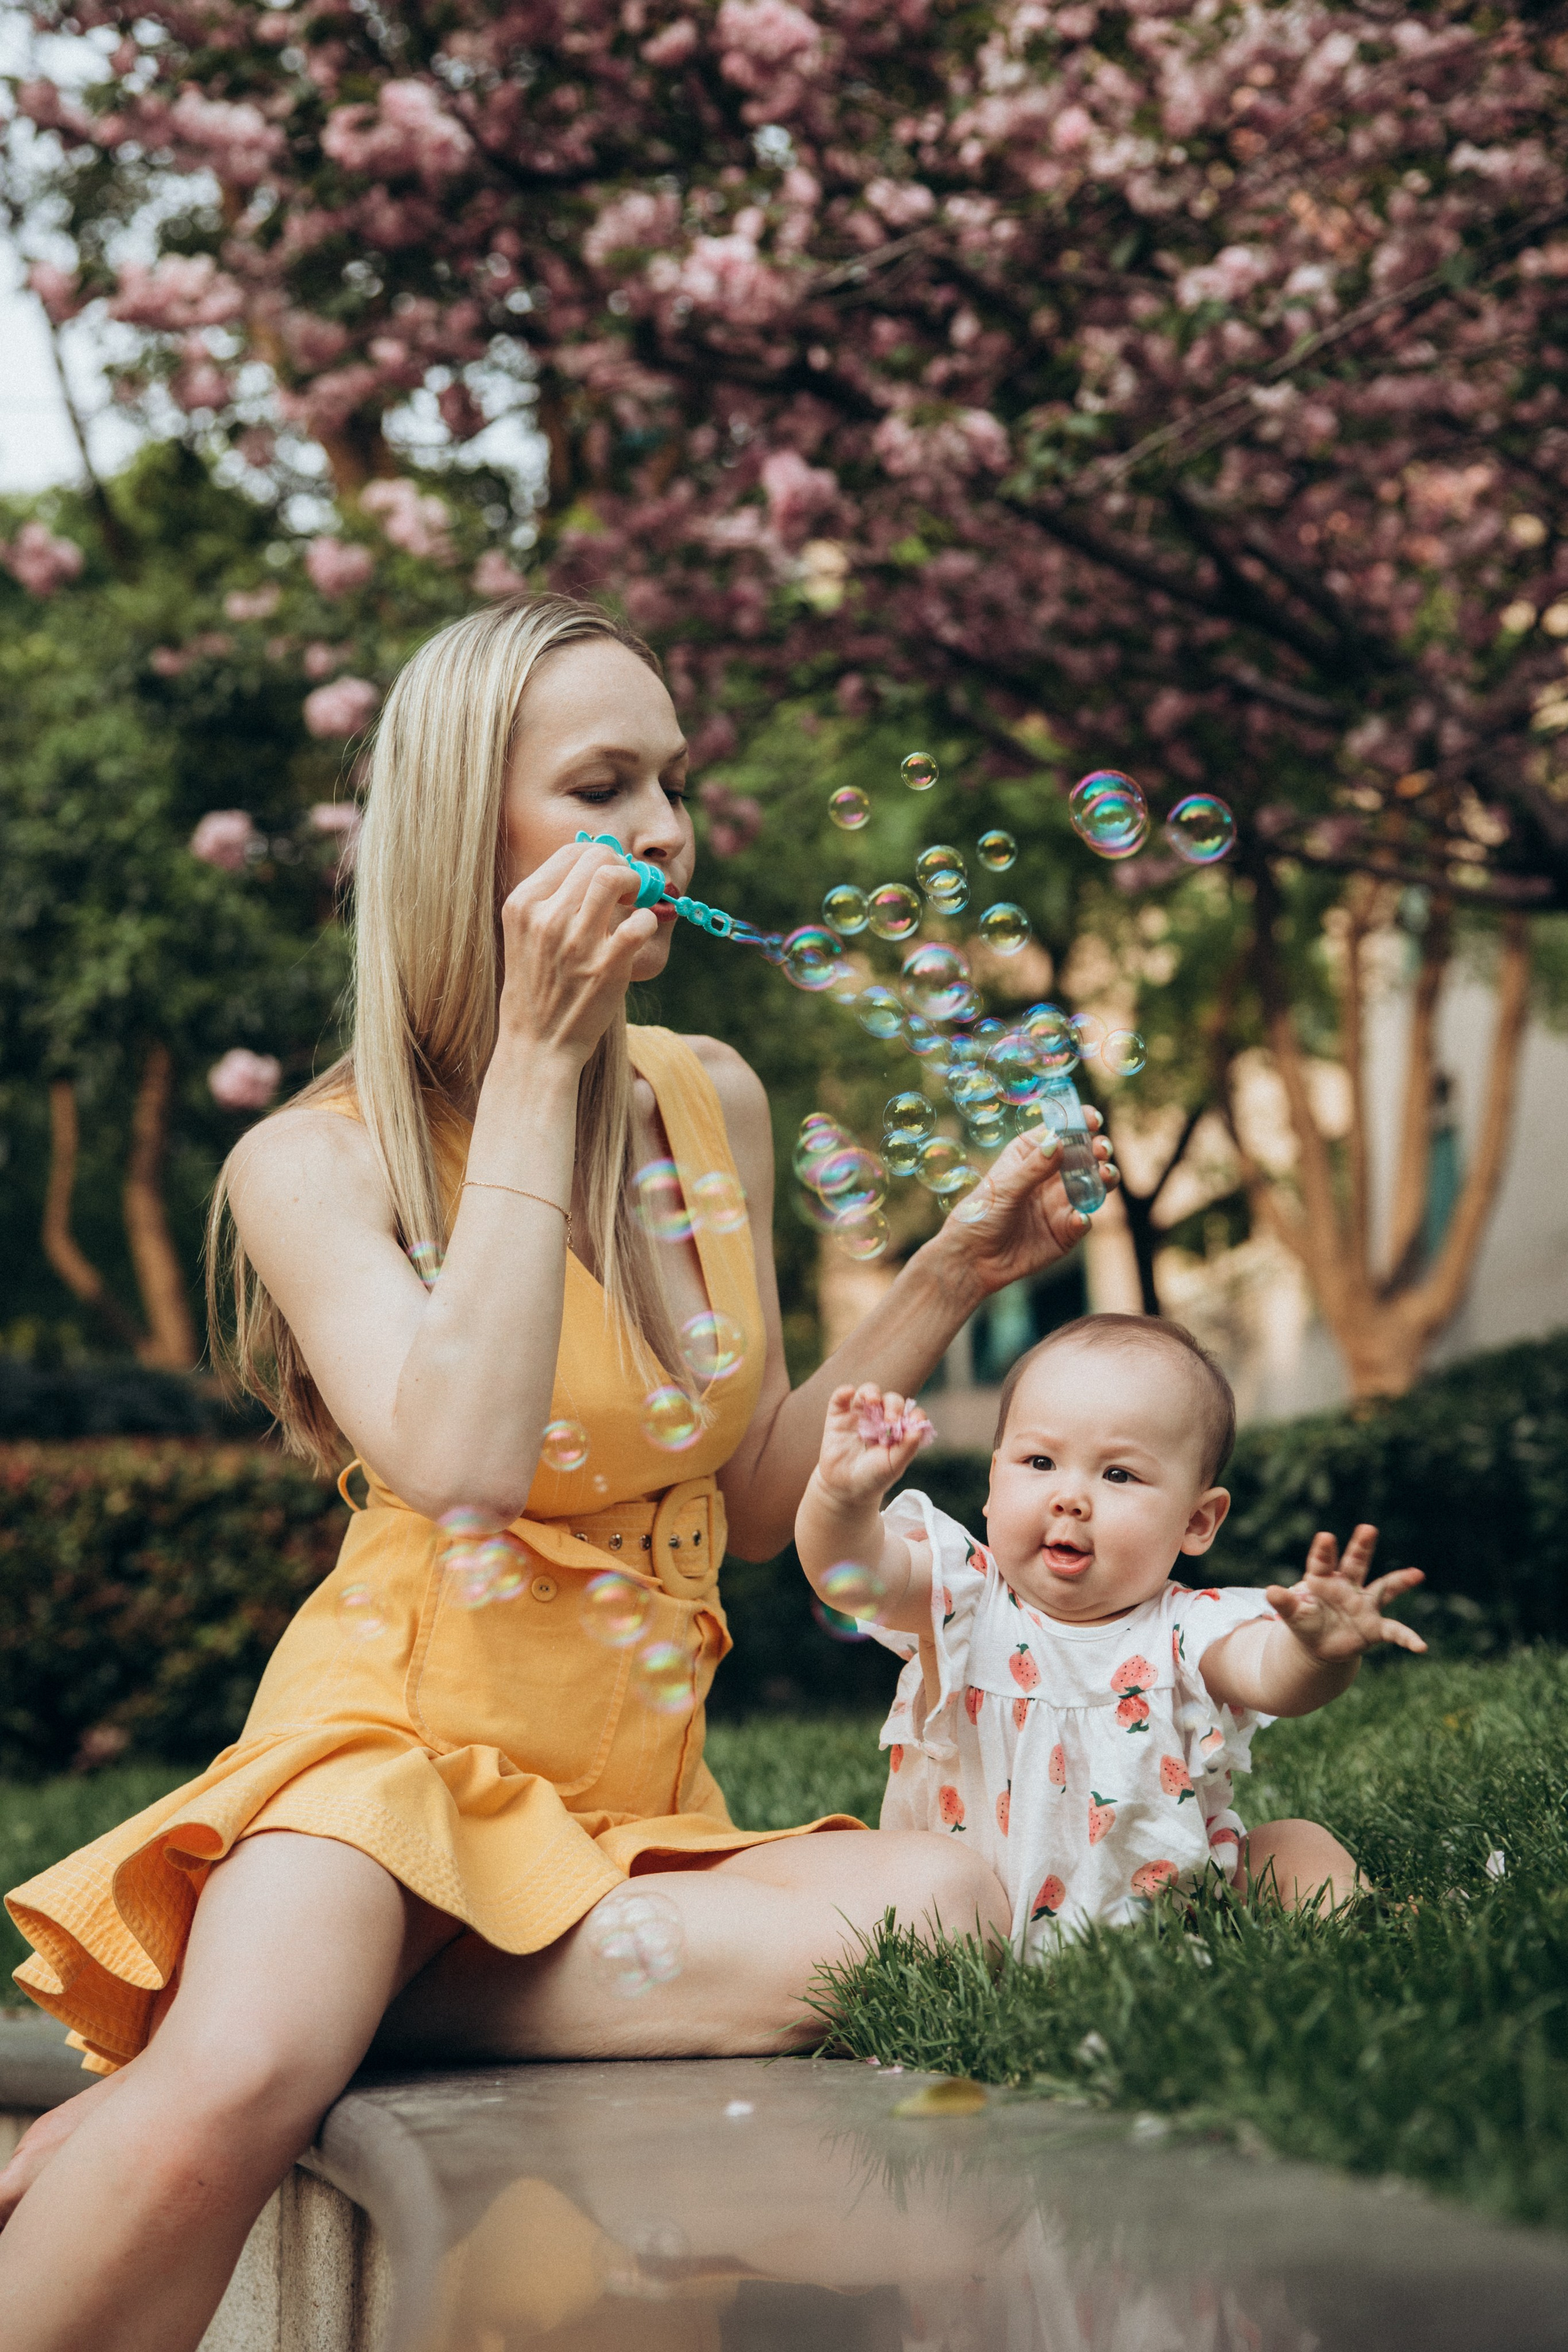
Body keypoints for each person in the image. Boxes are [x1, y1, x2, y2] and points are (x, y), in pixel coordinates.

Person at [0, 594, 1115, 2351]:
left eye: (675, 783)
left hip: (617, 1820)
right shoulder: (310, 1162)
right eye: (610, 784)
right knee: (238, 2096)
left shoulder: (713, 1101)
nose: (667, 832)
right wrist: (531, 1058)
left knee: (945, 1906)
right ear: (471, 833)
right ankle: (270, 2028)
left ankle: (313, 2019)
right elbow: (454, 1457)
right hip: (385, 1770)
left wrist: (948, 1277)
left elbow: (748, 1501)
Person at [795, 1315, 1427, 1953]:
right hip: (972, 1917)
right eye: (1039, 1461)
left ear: (1197, 1520)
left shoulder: (1186, 1628)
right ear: (992, 1484)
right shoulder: (962, 1595)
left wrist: (1316, 1652)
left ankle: (1375, 1942)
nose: (1070, 1497)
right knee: (908, 1886)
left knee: (1295, 1847)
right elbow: (852, 1577)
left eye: (1118, 1474)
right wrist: (842, 1499)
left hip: (1169, 1921)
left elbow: (1271, 1673)